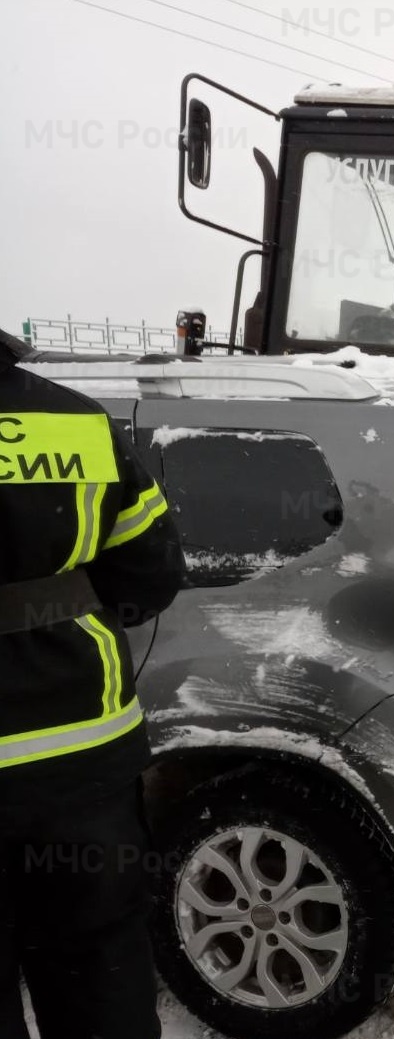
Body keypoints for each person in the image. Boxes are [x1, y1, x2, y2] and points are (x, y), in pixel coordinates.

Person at [0, 328, 186, 1038]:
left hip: (81, 769)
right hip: (81, 769)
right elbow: (152, 574)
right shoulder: (76, 422)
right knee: (100, 976)